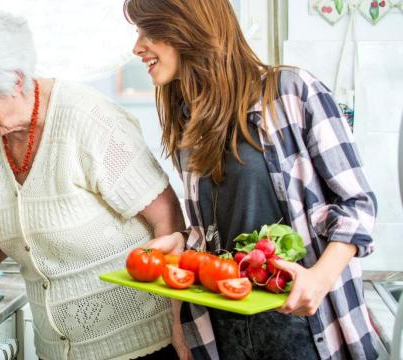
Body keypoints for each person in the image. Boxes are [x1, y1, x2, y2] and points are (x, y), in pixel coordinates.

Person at [0, 4, 186, 360]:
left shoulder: (87, 120)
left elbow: (168, 220)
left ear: (13, 78)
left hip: (139, 346)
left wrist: (181, 330)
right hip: (56, 350)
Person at [124, 0, 379, 359]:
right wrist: (185, 241)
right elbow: (219, 229)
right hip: (224, 328)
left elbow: (358, 203)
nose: (137, 46)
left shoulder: (291, 91)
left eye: (149, 30)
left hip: (303, 323)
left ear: (189, 27)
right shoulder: (187, 116)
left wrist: (319, 278)